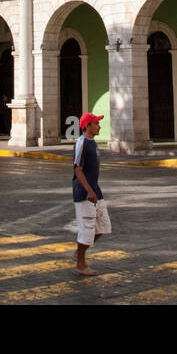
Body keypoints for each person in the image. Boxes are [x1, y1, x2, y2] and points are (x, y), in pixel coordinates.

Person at [73, 113, 110, 276]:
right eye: (96, 123)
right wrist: (88, 190)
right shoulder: (81, 143)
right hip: (84, 193)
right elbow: (78, 170)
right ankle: (80, 263)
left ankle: (79, 252)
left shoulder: (92, 142)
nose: (99, 126)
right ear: (87, 125)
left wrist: (94, 190)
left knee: (103, 226)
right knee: (87, 228)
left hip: (95, 190)